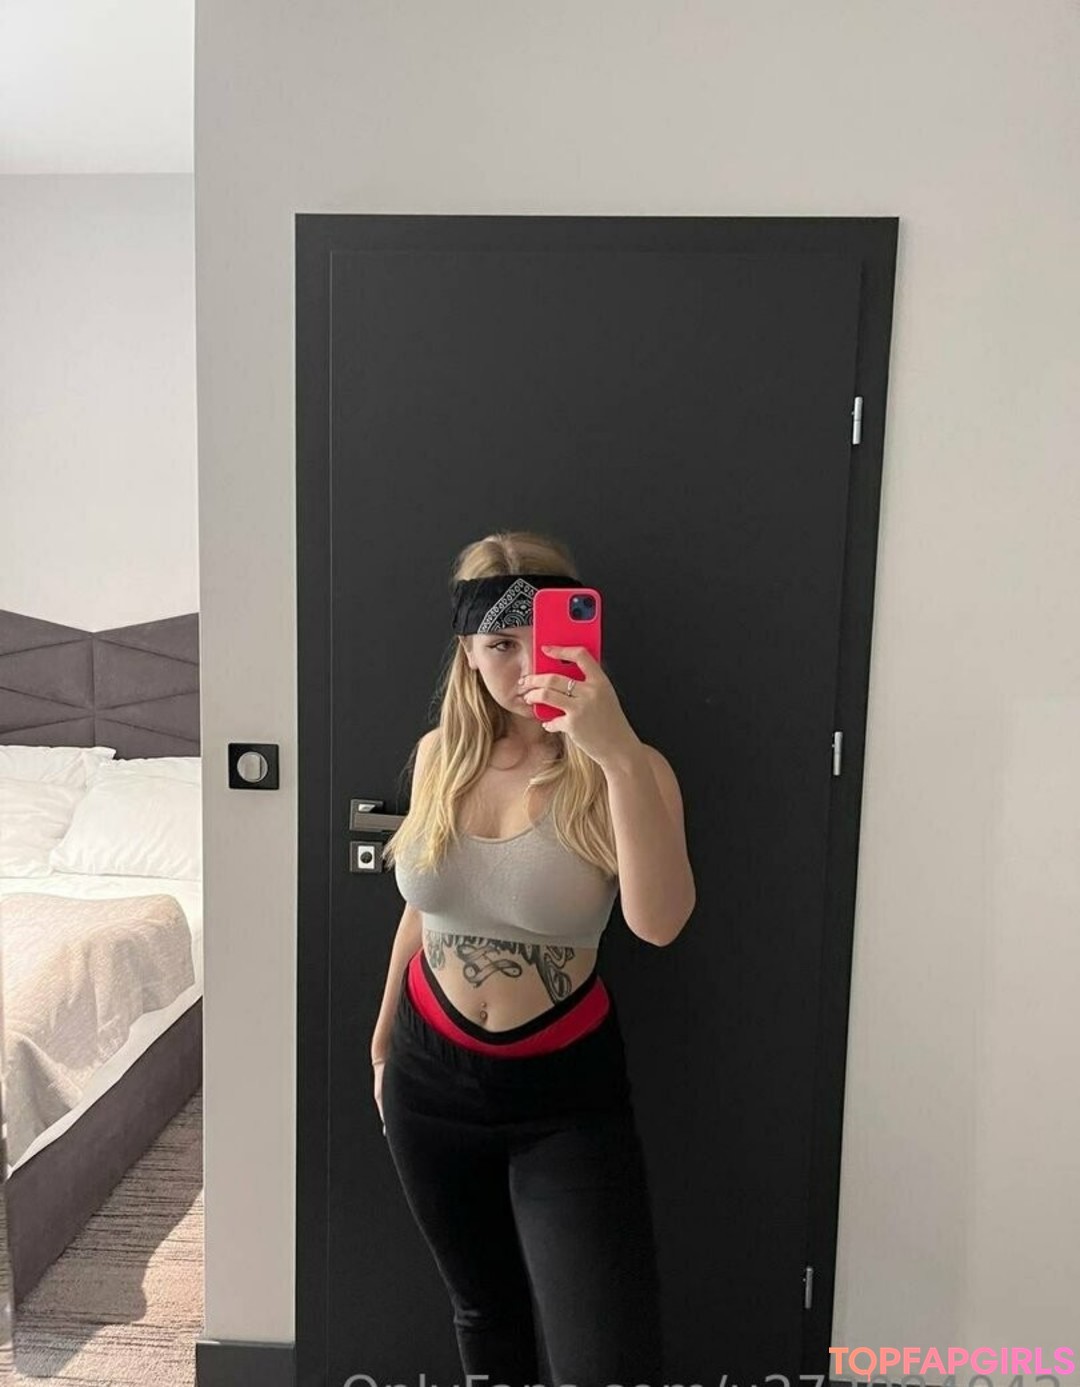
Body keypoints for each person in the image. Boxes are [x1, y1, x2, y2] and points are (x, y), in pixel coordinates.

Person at [370, 529, 696, 1387]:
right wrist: (381, 1042)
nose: (522, 668)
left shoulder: (630, 770)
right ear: (468, 653)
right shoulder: (440, 758)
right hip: (427, 1078)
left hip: (563, 1097)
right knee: (485, 1317)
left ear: (580, 635)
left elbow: (660, 923)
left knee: (607, 1363)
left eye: (540, 639)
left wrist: (614, 751)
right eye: (499, 645)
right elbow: (423, 906)